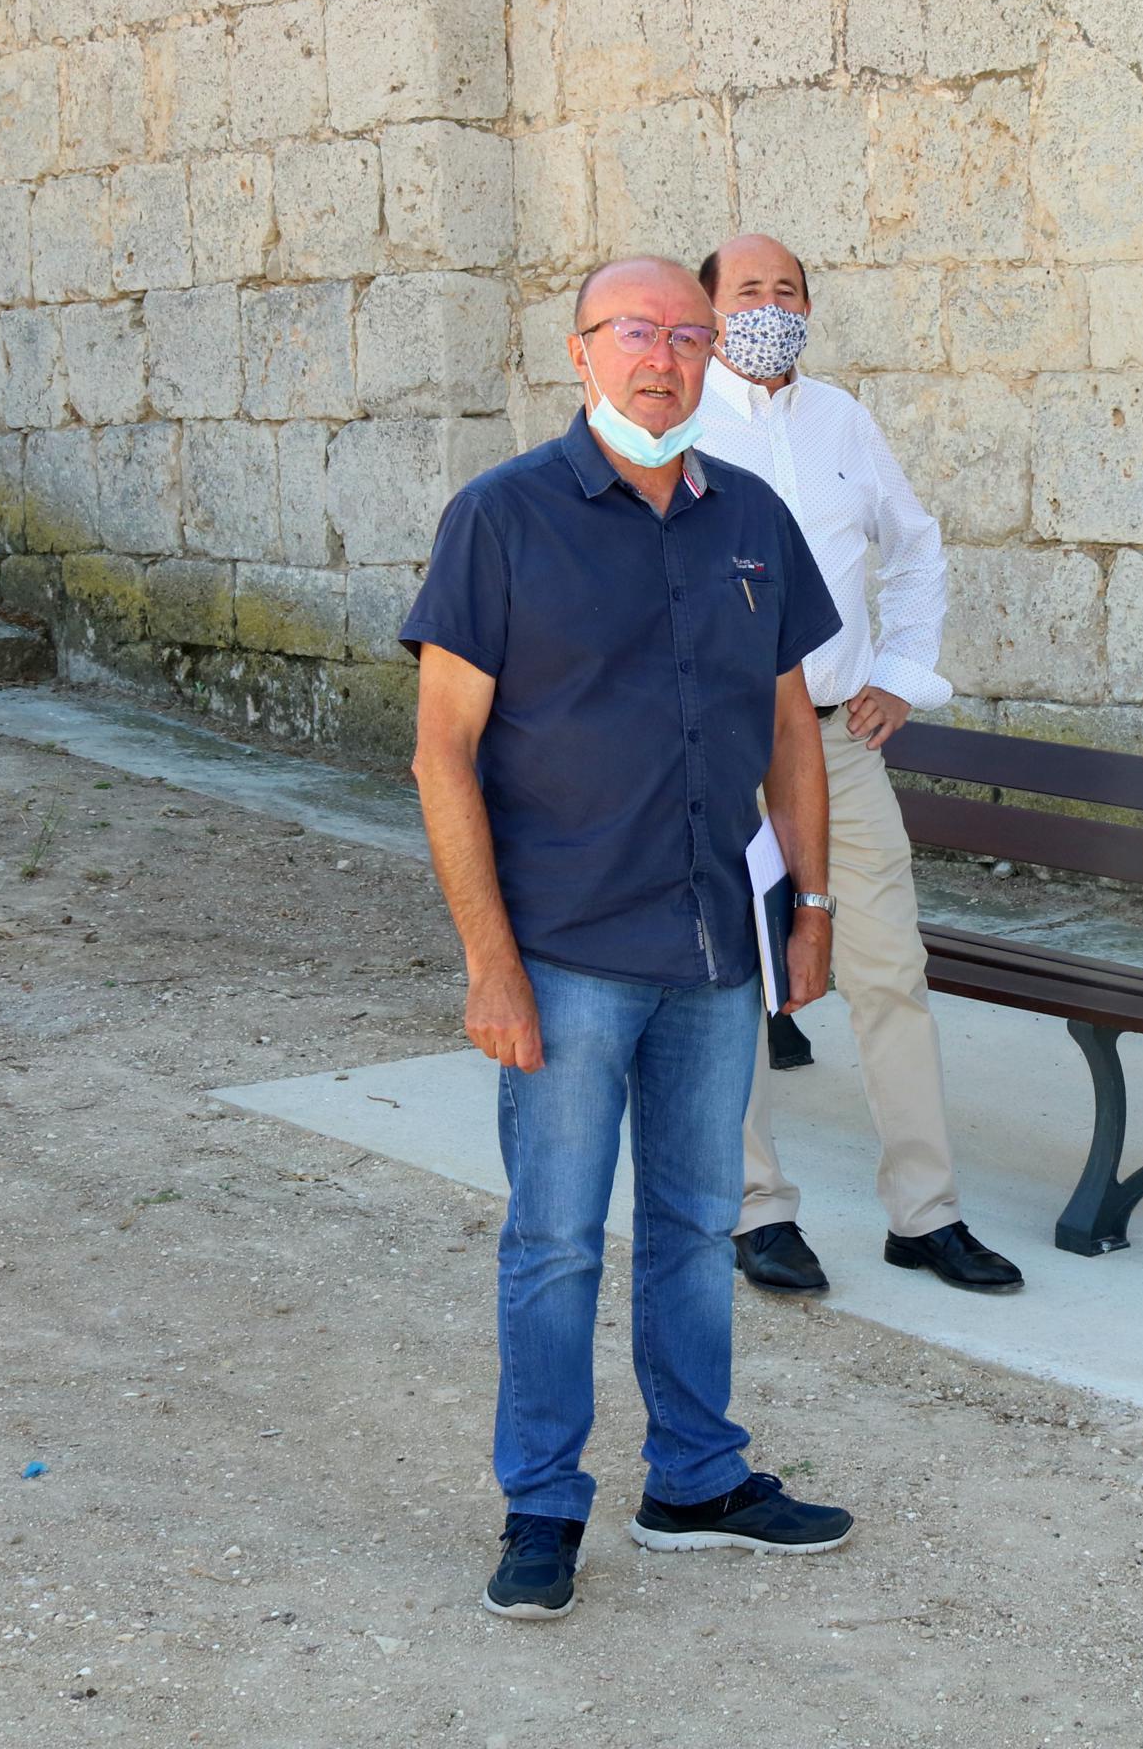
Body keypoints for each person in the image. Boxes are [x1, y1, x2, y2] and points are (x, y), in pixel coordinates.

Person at [403, 254, 856, 1622]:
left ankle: (697, 1480)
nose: (662, 356)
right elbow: (441, 757)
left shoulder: (756, 520)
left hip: (718, 954)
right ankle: (541, 1506)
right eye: (635, 331)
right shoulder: (502, 520)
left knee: (696, 1222)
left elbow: (791, 732)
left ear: (714, 355)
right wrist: (491, 964)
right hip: (566, 958)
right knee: (552, 1240)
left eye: (688, 335)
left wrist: (815, 909)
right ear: (579, 349)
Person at [694, 232, 1024, 1299]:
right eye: (748, 289)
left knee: (890, 971)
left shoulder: (842, 419)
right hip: (721, 746)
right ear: (708, 307)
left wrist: (901, 671)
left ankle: (925, 1214)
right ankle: (756, 1209)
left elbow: (915, 545)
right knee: (732, 979)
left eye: (788, 290)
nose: (770, 306)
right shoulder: (677, 421)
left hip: (838, 740)